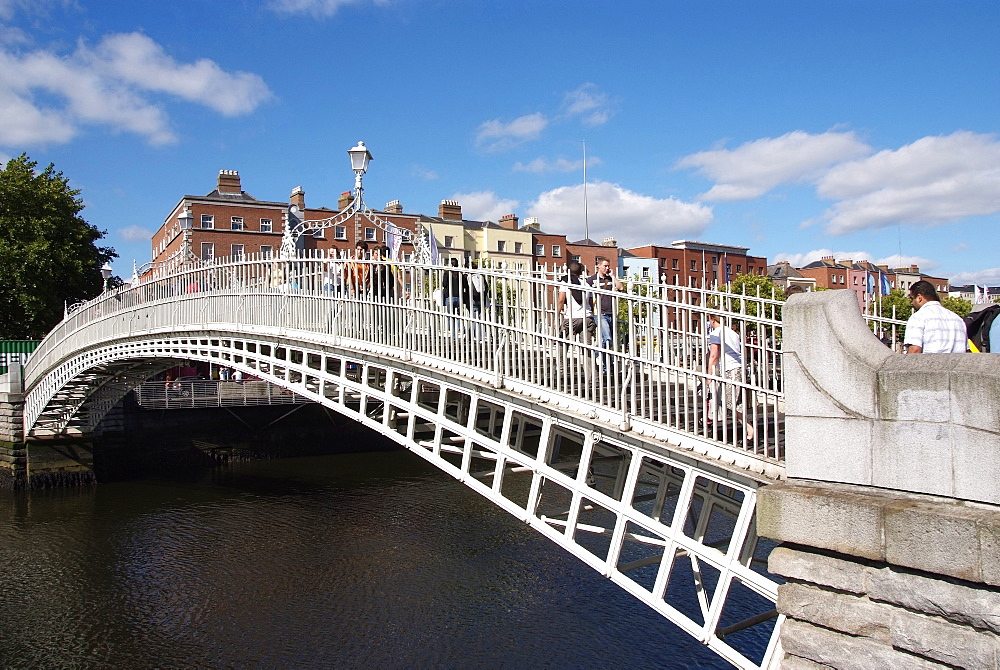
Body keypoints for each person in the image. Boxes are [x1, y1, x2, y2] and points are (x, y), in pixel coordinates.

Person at [706, 313, 754, 442]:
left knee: (729, 402)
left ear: (712, 318)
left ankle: (749, 429)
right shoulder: (732, 332)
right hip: (739, 368)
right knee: (733, 402)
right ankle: (748, 428)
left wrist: (709, 374)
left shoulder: (716, 333)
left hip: (730, 370)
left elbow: (714, 356)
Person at [903, 280, 967, 353]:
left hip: (930, 363)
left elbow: (914, 350)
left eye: (912, 299)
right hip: (957, 363)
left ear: (919, 298)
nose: (912, 303)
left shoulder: (918, 317)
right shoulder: (958, 319)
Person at [587, 257, 624, 371]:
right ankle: (595, 353)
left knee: (607, 340)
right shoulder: (591, 280)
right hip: (599, 313)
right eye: (605, 266)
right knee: (608, 339)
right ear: (598, 266)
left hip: (611, 312)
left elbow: (621, 288)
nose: (607, 268)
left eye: (608, 266)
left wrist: (613, 276)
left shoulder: (610, 279)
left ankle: (606, 366)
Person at [556, 261, 595, 338]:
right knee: (586, 344)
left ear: (567, 271)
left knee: (562, 341)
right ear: (580, 272)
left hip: (572, 317)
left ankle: (561, 349)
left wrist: (556, 316)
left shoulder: (565, 282)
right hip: (587, 317)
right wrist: (592, 313)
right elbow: (591, 302)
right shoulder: (586, 284)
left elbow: (561, 300)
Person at [441, 258, 466, 338]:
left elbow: (444, 284)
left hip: (450, 297)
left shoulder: (447, 274)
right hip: (459, 297)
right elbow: (465, 285)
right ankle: (460, 327)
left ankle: (453, 335)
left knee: (450, 316)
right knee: (458, 315)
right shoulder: (460, 274)